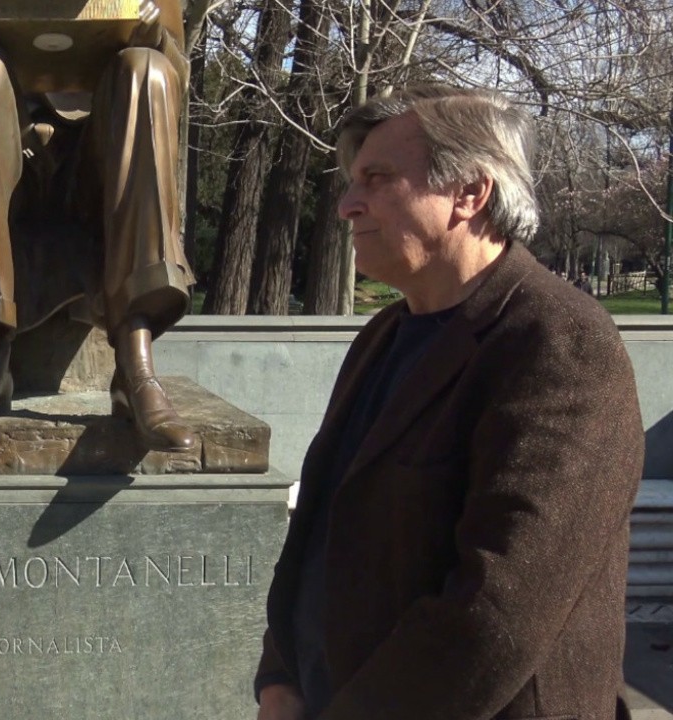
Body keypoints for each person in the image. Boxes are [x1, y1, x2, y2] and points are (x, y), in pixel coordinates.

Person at [255, 85, 644, 720]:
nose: (347, 205)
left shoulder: (559, 343)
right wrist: (280, 675)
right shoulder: (384, 336)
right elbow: (320, 526)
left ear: (470, 193)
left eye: (378, 179)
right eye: (352, 182)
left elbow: (498, 611)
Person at [0, 0, 197, 450]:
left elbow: (178, 78)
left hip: (98, 165)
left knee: (149, 68)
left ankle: (135, 361)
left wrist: (156, 39)